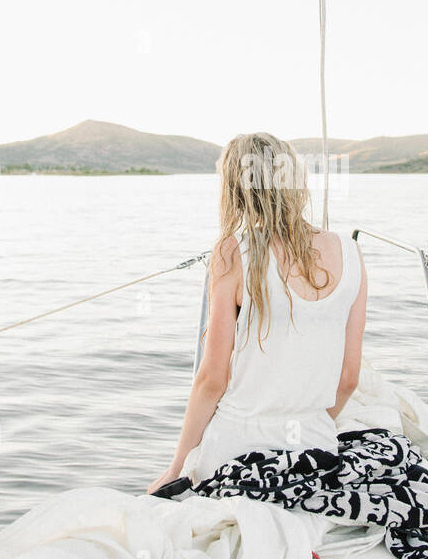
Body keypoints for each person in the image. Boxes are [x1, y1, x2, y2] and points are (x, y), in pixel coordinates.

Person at [147, 131, 366, 493]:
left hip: (234, 452)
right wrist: (309, 423)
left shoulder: (232, 253)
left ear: (235, 188)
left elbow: (211, 380)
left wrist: (176, 467)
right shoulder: (350, 251)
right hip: (315, 450)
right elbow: (349, 377)